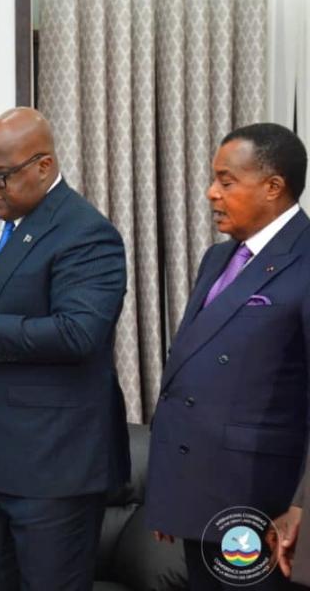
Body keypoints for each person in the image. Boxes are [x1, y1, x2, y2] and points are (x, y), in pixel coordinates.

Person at [0, 107, 130, 590]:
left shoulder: (85, 231)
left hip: (53, 467)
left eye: (2, 174)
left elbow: (78, 331)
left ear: (44, 166)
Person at [146, 123, 310, 590]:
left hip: (260, 501)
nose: (211, 192)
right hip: (199, 494)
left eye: (226, 181)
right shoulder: (217, 260)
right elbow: (186, 374)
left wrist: (303, 505)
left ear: (273, 187)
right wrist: (169, 494)